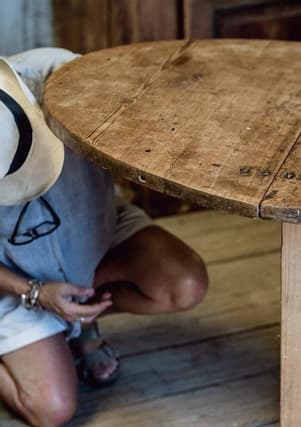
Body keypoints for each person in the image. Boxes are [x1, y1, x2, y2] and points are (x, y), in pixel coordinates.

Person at [0, 48, 208, 427]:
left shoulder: (61, 73)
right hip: (13, 274)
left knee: (185, 283)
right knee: (50, 410)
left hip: (94, 230)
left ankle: (75, 322)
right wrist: (34, 292)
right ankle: (66, 325)